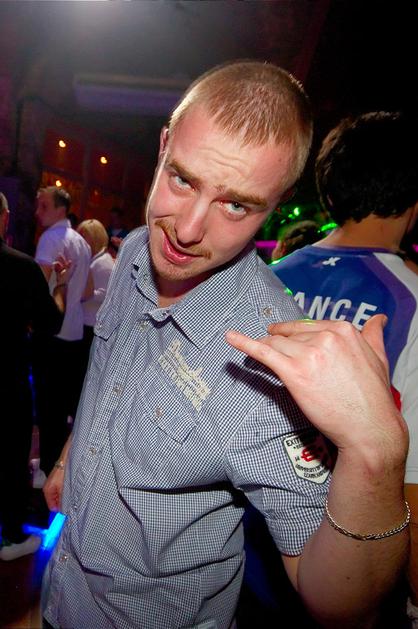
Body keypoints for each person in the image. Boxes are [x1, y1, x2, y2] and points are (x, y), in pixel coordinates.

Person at [42, 62, 408, 629]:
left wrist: (376, 454)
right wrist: (70, 455)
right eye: (182, 179)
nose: (187, 229)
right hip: (62, 595)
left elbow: (340, 605)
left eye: (236, 204)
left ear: (278, 201)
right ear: (164, 146)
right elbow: (106, 365)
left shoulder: (268, 363)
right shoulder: (138, 247)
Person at [271, 111, 418, 624]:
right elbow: (411, 478)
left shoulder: (267, 277)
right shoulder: (409, 299)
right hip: (354, 564)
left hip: (260, 552)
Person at [0, 192, 68, 561]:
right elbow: (50, 322)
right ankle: (11, 537)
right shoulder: (20, 266)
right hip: (7, 380)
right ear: (4, 218)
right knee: (11, 455)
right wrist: (59, 287)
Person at [33, 186, 91, 477]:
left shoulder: (50, 239)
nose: (37, 212)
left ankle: (45, 470)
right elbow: (88, 290)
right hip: (74, 332)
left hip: (52, 330)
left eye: (44, 206)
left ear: (60, 209)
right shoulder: (82, 242)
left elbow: (38, 291)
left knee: (47, 406)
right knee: (60, 407)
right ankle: (56, 466)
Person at [77, 218, 115, 359]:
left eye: (84, 236)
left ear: (95, 238)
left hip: (92, 325)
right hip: (87, 322)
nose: (79, 240)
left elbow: (107, 295)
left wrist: (84, 294)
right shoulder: (95, 260)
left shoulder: (102, 263)